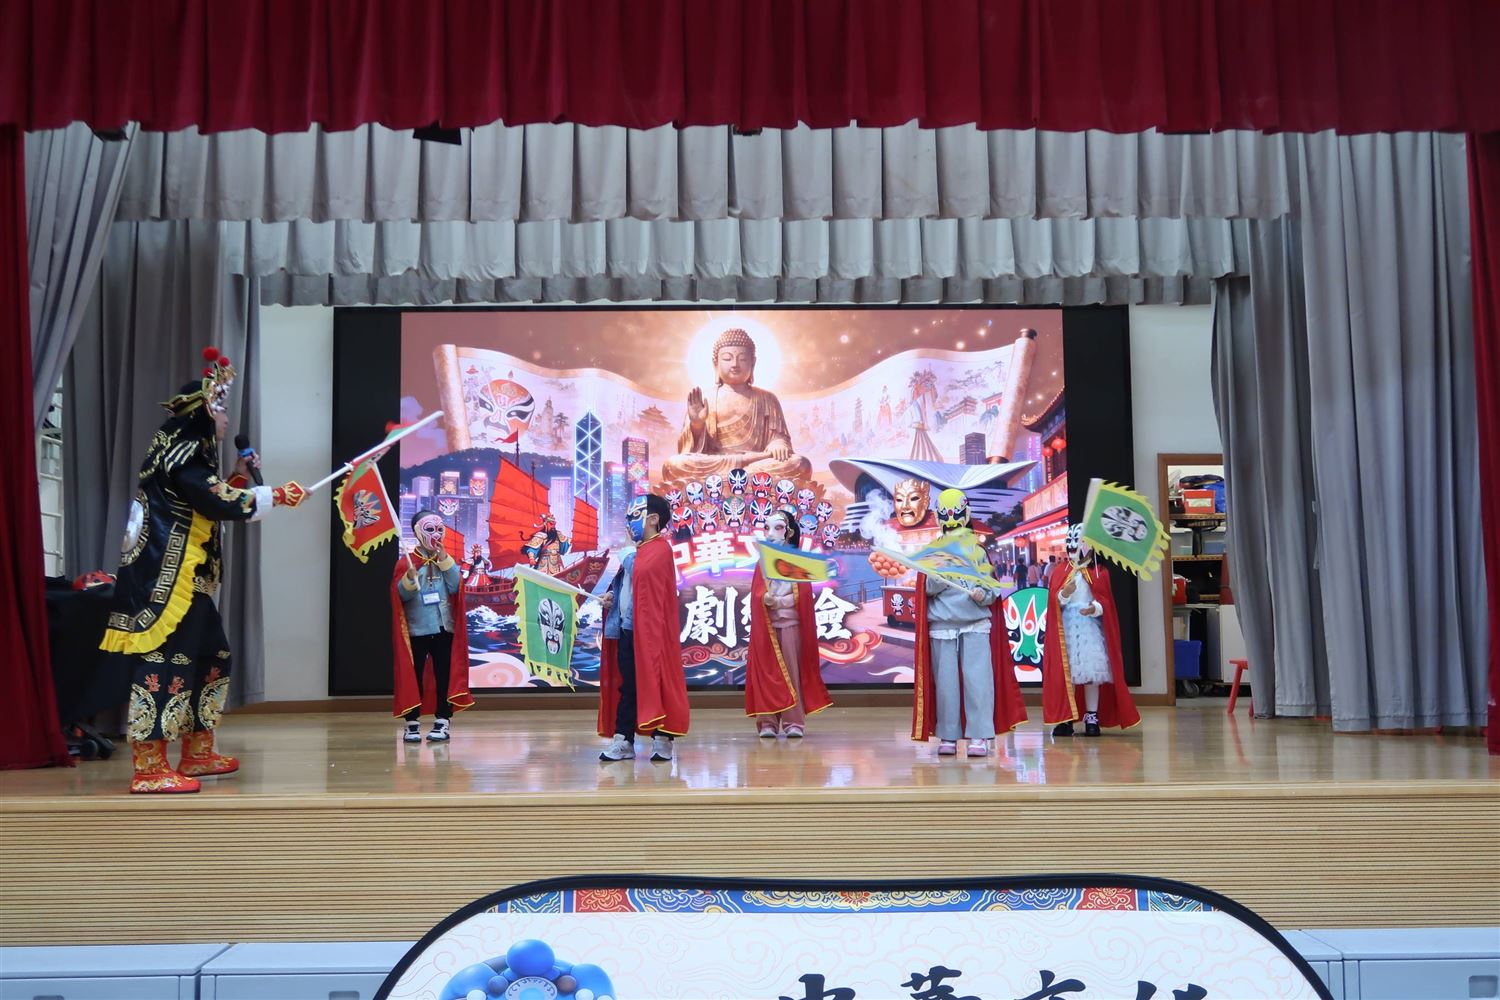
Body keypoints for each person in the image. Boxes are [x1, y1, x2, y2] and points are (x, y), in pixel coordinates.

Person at [101, 347, 307, 794]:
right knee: (167, 661)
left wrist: (238, 476)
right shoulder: (184, 452)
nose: (227, 420)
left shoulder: (187, 456)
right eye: (222, 411)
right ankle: (150, 767)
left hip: (189, 580)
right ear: (204, 413)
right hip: (166, 580)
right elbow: (213, 500)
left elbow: (203, 502)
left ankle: (197, 751)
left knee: (213, 655)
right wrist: (277, 495)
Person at [910, 489, 1028, 757]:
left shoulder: (977, 551)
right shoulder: (932, 553)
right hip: (942, 625)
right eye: (946, 515)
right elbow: (926, 589)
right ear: (939, 519)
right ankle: (948, 735)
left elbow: (991, 589)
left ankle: (979, 734)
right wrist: (941, 574)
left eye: (955, 515)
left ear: (965, 516)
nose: (951, 521)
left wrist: (982, 594)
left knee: (978, 681)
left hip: (975, 623)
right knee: (946, 685)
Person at [597, 494, 690, 762]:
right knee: (629, 687)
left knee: (658, 683)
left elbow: (641, 573)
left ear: (653, 519)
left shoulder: (659, 549)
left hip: (653, 634)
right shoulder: (640, 550)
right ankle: (623, 740)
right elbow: (632, 585)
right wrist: (613, 598)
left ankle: (662, 739)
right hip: (629, 630)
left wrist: (627, 550)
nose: (628, 522)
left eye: (634, 516)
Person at [661, 327, 811, 482]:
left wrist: (777, 444)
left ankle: (728, 479)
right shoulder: (705, 398)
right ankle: (746, 478)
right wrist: (697, 424)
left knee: (800, 464)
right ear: (715, 364)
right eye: (727, 359)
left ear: (753, 363)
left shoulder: (767, 399)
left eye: (743, 359)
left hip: (756, 463)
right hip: (717, 462)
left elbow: (779, 438)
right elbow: (688, 450)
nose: (735, 364)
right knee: (674, 465)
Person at [1042, 524, 1141, 737]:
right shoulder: (1060, 572)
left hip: (1089, 629)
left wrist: (1094, 608)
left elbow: (1105, 602)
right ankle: (1067, 718)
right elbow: (1055, 602)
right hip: (1067, 630)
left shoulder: (1099, 572)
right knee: (1068, 674)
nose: (1075, 548)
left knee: (1090, 674)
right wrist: (1065, 593)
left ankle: (1092, 716)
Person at [745, 507, 832, 737]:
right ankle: (767, 722)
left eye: (778, 528)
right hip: (767, 627)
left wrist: (779, 601)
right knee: (766, 674)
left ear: (789, 532)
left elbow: (802, 596)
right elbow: (756, 594)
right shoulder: (762, 563)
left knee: (792, 673)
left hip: (790, 625)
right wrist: (763, 598)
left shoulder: (797, 562)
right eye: (767, 528)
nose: (771, 533)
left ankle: (794, 722)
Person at [391, 511, 474, 742]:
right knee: (413, 676)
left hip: (443, 628)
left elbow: (456, 587)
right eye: (430, 529)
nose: (436, 534)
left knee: (444, 676)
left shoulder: (445, 560)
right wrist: (409, 579)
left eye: (439, 529)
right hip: (417, 630)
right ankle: (412, 722)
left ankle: (443, 721)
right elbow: (400, 597)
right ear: (418, 532)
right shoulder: (407, 562)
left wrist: (445, 560)